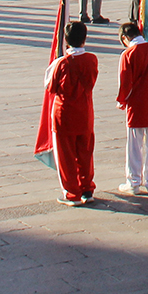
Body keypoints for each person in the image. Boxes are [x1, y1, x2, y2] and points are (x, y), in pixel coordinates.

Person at [46, 21, 98, 205]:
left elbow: (51, 87)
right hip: (84, 112)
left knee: (66, 155)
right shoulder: (92, 59)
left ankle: (71, 192)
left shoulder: (61, 63)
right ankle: (86, 189)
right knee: (85, 152)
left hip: (64, 114)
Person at [115, 21, 148, 195]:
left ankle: (133, 182)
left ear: (125, 38)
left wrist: (121, 100)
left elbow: (125, 83)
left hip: (137, 106)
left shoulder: (128, 54)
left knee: (134, 147)